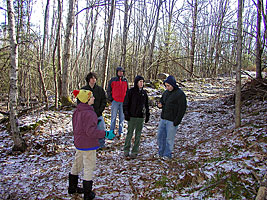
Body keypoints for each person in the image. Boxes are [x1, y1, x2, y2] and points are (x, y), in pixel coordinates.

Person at [69, 89, 115, 200]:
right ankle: (87, 193)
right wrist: (105, 133)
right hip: (88, 144)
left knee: (77, 163)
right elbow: (91, 132)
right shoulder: (90, 113)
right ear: (87, 100)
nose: (94, 98)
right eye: (92, 97)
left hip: (79, 143)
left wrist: (94, 124)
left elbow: (79, 127)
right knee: (89, 166)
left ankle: (72, 187)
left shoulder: (77, 111)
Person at [157, 75, 187, 159]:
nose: (167, 87)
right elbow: (162, 101)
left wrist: (177, 121)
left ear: (173, 84)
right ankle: (161, 153)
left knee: (169, 139)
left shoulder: (180, 94)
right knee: (160, 137)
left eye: (168, 86)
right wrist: (159, 105)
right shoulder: (166, 92)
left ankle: (167, 155)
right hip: (163, 118)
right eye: (166, 86)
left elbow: (182, 109)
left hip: (172, 120)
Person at [123, 75, 150, 159]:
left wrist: (147, 114)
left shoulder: (144, 93)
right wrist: (126, 113)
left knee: (138, 135)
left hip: (140, 116)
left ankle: (135, 151)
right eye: (140, 82)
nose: (141, 83)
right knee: (130, 133)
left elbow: (146, 105)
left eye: (142, 82)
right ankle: (126, 150)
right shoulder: (131, 91)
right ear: (136, 82)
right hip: (132, 116)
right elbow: (126, 103)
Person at [79, 72, 107, 149]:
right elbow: (79, 102)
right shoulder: (84, 90)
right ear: (88, 80)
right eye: (92, 78)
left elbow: (104, 100)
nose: (93, 80)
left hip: (98, 114)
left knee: (101, 129)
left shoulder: (100, 89)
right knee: (88, 131)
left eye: (94, 78)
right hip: (87, 115)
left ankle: (101, 145)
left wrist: (100, 110)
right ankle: (89, 144)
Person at [107, 66, 129, 138]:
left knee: (121, 118)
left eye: (122, 72)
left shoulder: (125, 80)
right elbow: (108, 90)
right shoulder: (113, 80)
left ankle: (120, 133)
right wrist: (111, 99)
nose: (120, 73)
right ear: (117, 72)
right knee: (113, 118)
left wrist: (127, 100)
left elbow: (128, 91)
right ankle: (111, 132)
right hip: (115, 101)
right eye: (119, 71)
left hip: (123, 102)